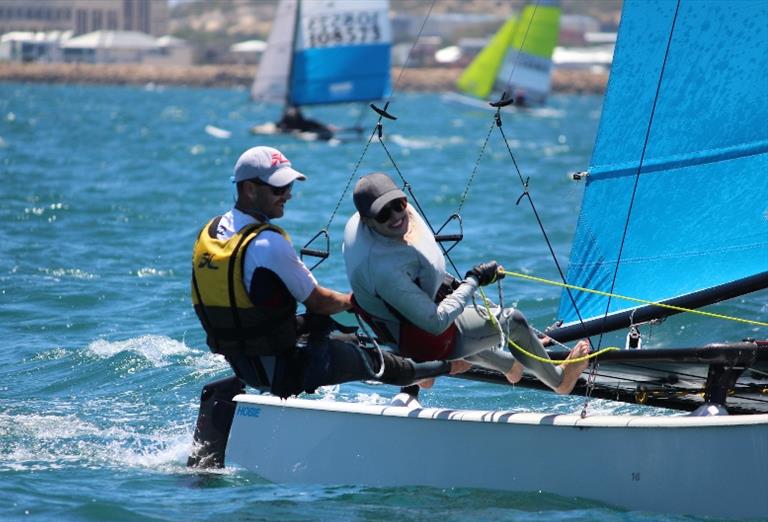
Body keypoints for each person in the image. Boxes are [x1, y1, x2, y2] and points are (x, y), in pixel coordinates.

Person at [191, 147, 469, 399]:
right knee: (376, 362)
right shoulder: (268, 244)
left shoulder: (212, 233)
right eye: (279, 188)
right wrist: (364, 299)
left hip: (246, 364)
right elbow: (320, 301)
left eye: (288, 185)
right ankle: (446, 366)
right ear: (249, 189)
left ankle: (402, 359)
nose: (288, 194)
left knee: (344, 332)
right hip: (285, 370)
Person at [342, 172, 590, 395]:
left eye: (398, 204)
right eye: (384, 213)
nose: (396, 215)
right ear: (367, 220)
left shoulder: (368, 232)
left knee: (474, 323)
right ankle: (560, 381)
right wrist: (474, 279)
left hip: (402, 324)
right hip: (422, 340)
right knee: (513, 321)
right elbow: (436, 322)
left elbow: (422, 272)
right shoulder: (383, 268)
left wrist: (457, 286)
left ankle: (511, 366)